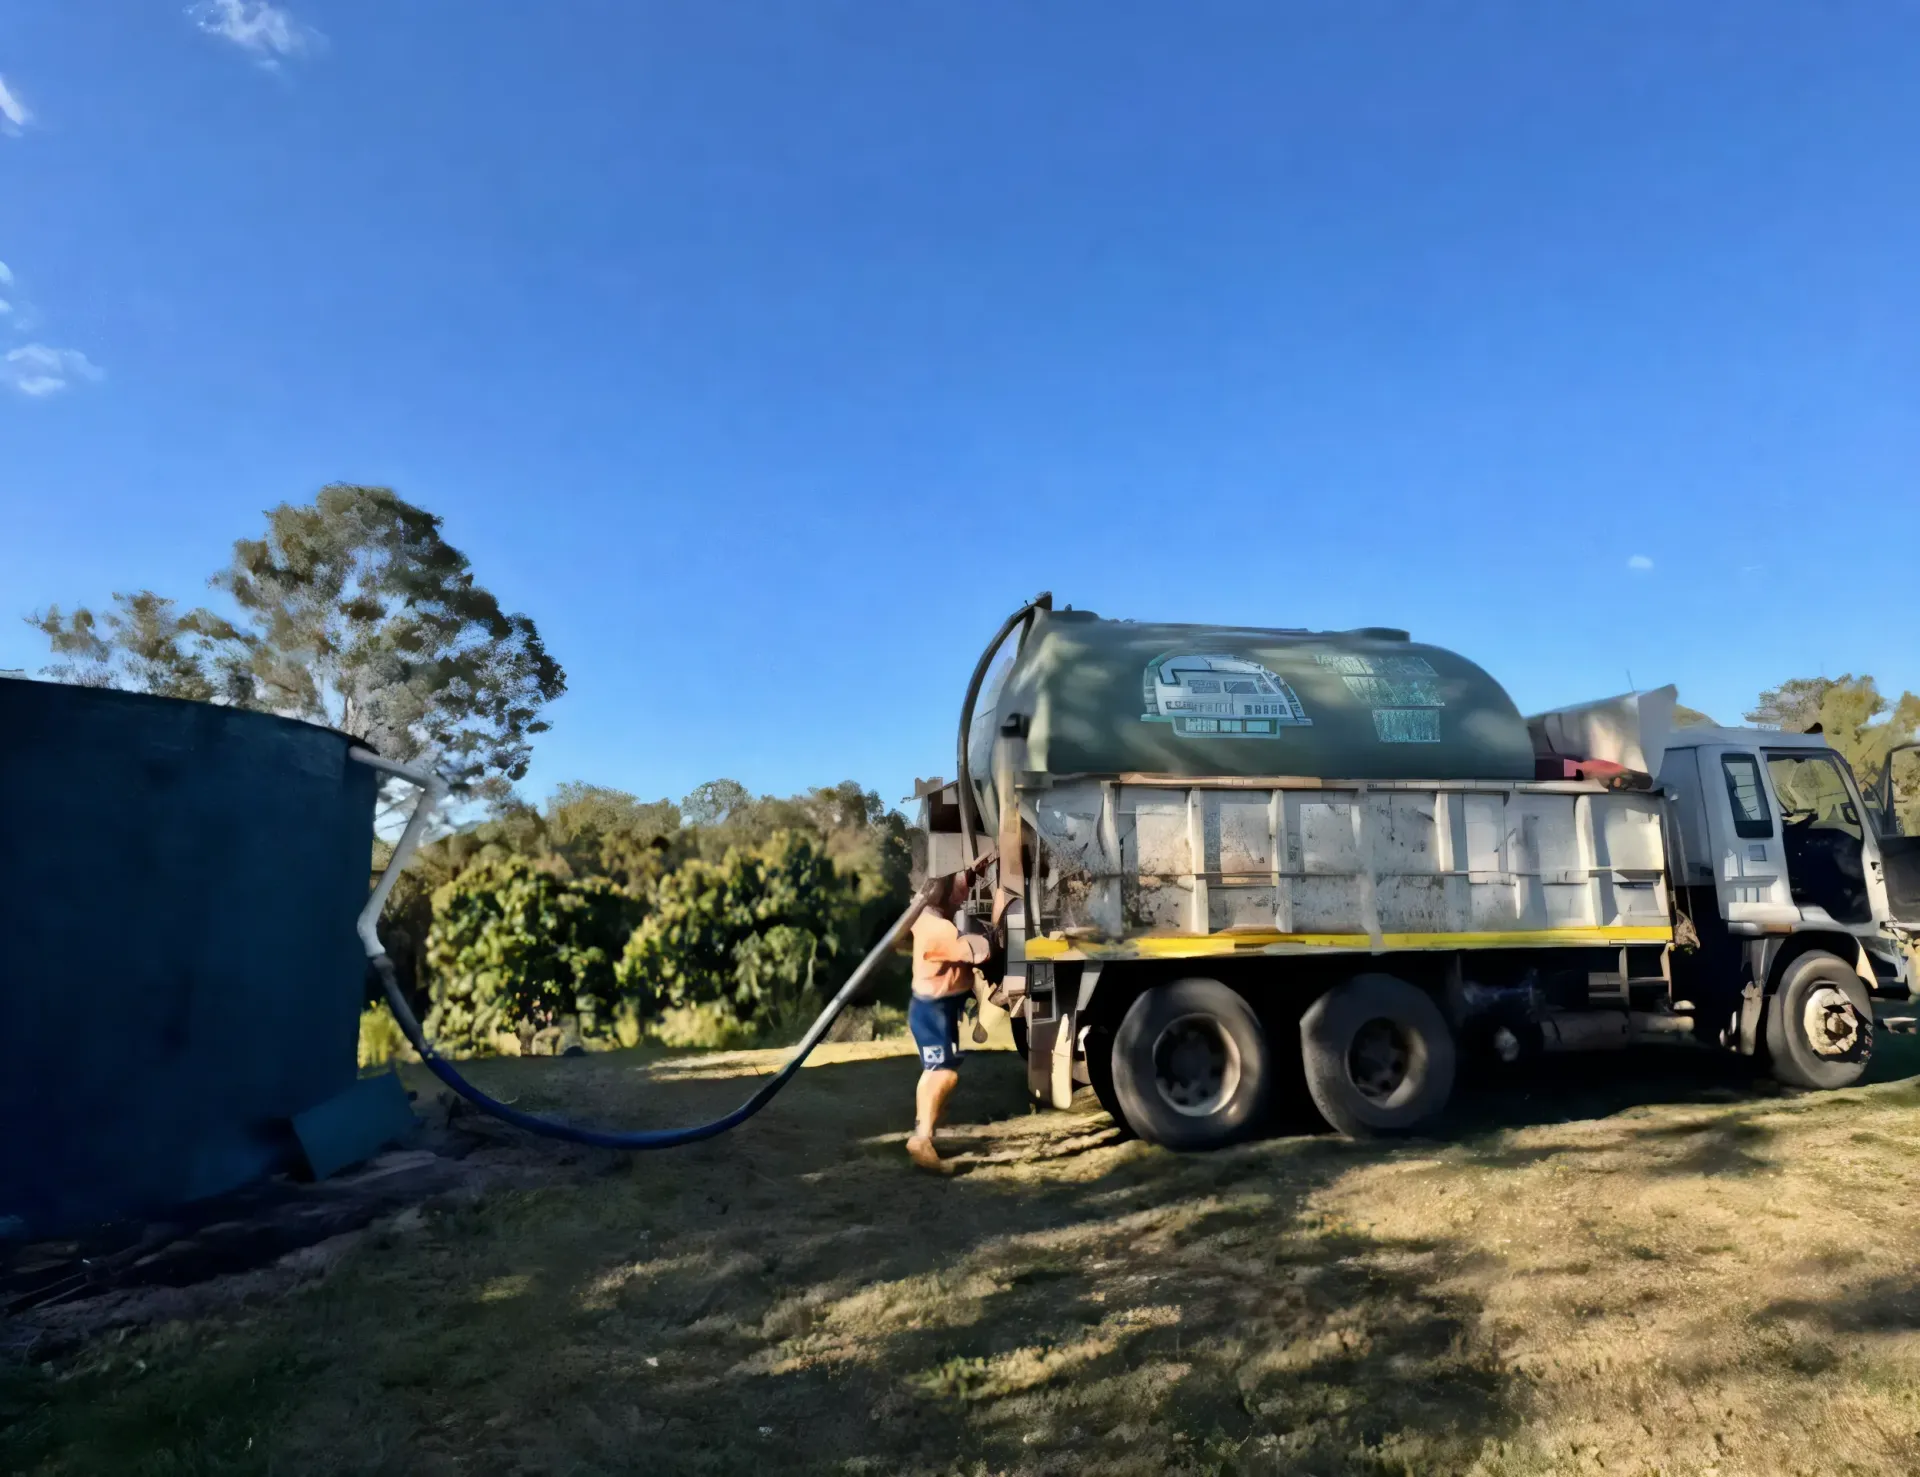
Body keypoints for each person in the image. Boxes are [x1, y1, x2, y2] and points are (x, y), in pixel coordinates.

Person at [905, 868, 992, 1172]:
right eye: (962, 882)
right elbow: (977, 953)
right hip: (932, 1012)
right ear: (940, 888)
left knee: (938, 1072)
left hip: (939, 1009)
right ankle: (921, 1139)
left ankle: (927, 1134)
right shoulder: (938, 929)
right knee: (943, 1075)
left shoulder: (928, 920)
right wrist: (989, 938)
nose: (968, 889)